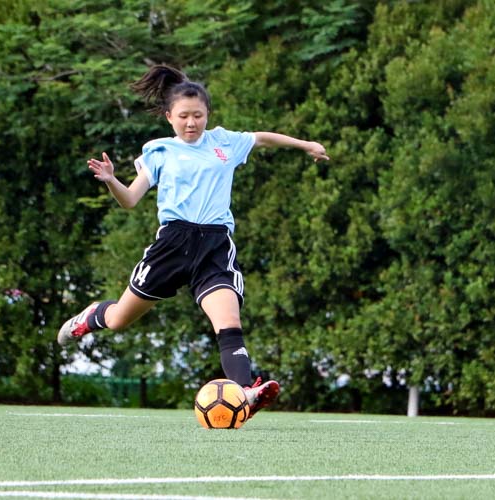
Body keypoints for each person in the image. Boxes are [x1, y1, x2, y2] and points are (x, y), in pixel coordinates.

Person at [57, 64, 330, 419]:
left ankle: (246, 391)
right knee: (119, 320)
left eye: (198, 115)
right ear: (169, 116)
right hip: (172, 243)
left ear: (207, 115)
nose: (191, 122)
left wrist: (305, 144)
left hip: (214, 246)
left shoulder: (224, 142)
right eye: (183, 116)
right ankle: (93, 315)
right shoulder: (159, 151)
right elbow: (130, 200)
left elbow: (262, 137)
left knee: (229, 323)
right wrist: (111, 179)